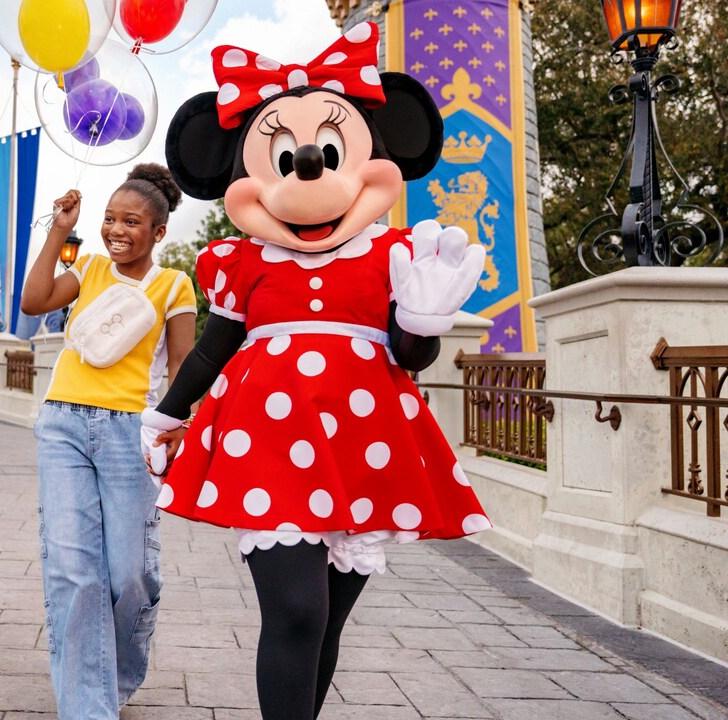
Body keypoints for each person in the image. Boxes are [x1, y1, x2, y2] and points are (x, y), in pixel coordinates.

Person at [144, 25, 491, 719]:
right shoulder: (243, 261)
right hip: (267, 443)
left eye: (329, 151)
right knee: (297, 610)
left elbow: (407, 353)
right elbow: (215, 345)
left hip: (366, 445)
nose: (306, 167)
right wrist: (166, 414)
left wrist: (422, 321)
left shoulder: (395, 253)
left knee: (326, 618)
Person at [20, 164, 198, 718]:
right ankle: (88, 705)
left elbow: (184, 369)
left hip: (131, 431)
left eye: (131, 222)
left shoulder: (174, 285)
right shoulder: (90, 267)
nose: (116, 230)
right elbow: (34, 301)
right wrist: (59, 228)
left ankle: (117, 670)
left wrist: (176, 431)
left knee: (129, 574)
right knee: (74, 571)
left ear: (158, 232)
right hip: (64, 424)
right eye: (109, 219)